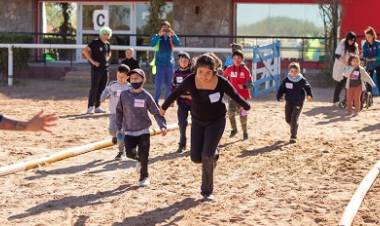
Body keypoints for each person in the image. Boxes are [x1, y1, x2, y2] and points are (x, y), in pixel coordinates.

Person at [160, 53, 251, 200]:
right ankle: (214, 154)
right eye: (201, 72)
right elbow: (176, 92)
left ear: (214, 71)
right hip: (197, 121)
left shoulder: (221, 82)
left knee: (206, 155)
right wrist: (163, 107)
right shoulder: (190, 80)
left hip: (216, 121)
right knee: (196, 158)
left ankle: (207, 191)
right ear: (196, 70)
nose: (204, 76)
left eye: (208, 72)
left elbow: (234, 95)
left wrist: (246, 106)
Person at [116, 68, 167, 187]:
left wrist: (162, 125)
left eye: (137, 78)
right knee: (129, 153)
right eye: (132, 78)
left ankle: (144, 177)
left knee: (144, 154)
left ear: (143, 80)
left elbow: (156, 112)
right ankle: (139, 160)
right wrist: (119, 126)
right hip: (129, 131)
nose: (134, 80)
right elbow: (119, 111)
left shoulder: (146, 96)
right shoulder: (124, 95)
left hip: (144, 131)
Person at [276, 62, 312, 144]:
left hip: (298, 102)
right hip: (289, 101)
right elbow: (281, 88)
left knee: (294, 118)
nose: (294, 73)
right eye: (292, 71)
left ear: (298, 71)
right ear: (289, 71)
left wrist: (309, 95)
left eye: (296, 71)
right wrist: (279, 96)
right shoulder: (287, 79)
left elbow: (308, 87)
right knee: (288, 119)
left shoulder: (302, 80)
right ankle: (294, 125)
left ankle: (293, 136)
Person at [101, 64, 131, 160]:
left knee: (120, 132)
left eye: (122, 77)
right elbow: (106, 92)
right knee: (111, 130)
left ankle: (121, 152)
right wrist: (102, 97)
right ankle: (115, 136)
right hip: (113, 113)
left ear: (127, 77)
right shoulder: (113, 85)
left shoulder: (129, 87)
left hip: (124, 115)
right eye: (118, 76)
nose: (120, 79)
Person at [82, 26, 112, 114]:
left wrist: (107, 58)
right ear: (101, 34)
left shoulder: (107, 44)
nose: (106, 36)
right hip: (96, 69)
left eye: (107, 34)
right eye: (104, 34)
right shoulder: (95, 42)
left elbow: (109, 53)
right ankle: (90, 107)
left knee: (102, 88)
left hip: (105, 69)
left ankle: (97, 107)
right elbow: (85, 51)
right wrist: (92, 61)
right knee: (94, 88)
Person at [150, 21, 181, 105]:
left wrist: (173, 35)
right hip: (159, 64)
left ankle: (168, 101)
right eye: (164, 28)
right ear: (160, 28)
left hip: (169, 64)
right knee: (158, 85)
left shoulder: (171, 37)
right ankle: (155, 101)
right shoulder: (157, 36)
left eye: (167, 28)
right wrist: (159, 35)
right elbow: (152, 44)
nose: (165, 30)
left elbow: (178, 43)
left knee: (169, 84)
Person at [224, 50, 252, 140]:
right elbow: (223, 79)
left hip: (243, 97)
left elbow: (251, 84)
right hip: (232, 97)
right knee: (230, 113)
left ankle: (245, 132)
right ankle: (234, 129)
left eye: (239, 58)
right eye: (235, 58)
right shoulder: (229, 69)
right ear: (232, 59)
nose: (237, 60)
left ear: (242, 59)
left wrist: (243, 86)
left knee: (243, 115)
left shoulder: (245, 70)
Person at [172, 51, 193, 153]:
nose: (183, 62)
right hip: (182, 102)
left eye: (185, 60)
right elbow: (173, 87)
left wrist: (192, 96)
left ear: (189, 62)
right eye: (181, 60)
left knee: (197, 123)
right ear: (178, 62)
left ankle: (195, 144)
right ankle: (182, 144)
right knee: (181, 123)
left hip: (194, 103)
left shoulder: (193, 72)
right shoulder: (176, 73)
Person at [332, 32, 359, 107]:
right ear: (347, 39)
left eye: (353, 40)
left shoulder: (355, 46)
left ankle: (347, 100)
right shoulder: (342, 43)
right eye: (350, 40)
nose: (351, 42)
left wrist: (354, 64)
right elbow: (337, 55)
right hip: (341, 66)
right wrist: (345, 62)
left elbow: (356, 57)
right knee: (340, 83)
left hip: (350, 67)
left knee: (350, 84)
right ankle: (335, 100)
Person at [362, 26, 380, 95]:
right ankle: (369, 97)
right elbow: (364, 55)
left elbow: (379, 56)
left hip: (378, 64)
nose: (367, 38)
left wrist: (372, 58)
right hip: (370, 65)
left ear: (373, 36)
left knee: (379, 80)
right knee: (368, 80)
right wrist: (366, 58)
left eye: (369, 36)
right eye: (366, 37)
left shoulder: (378, 43)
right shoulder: (365, 45)